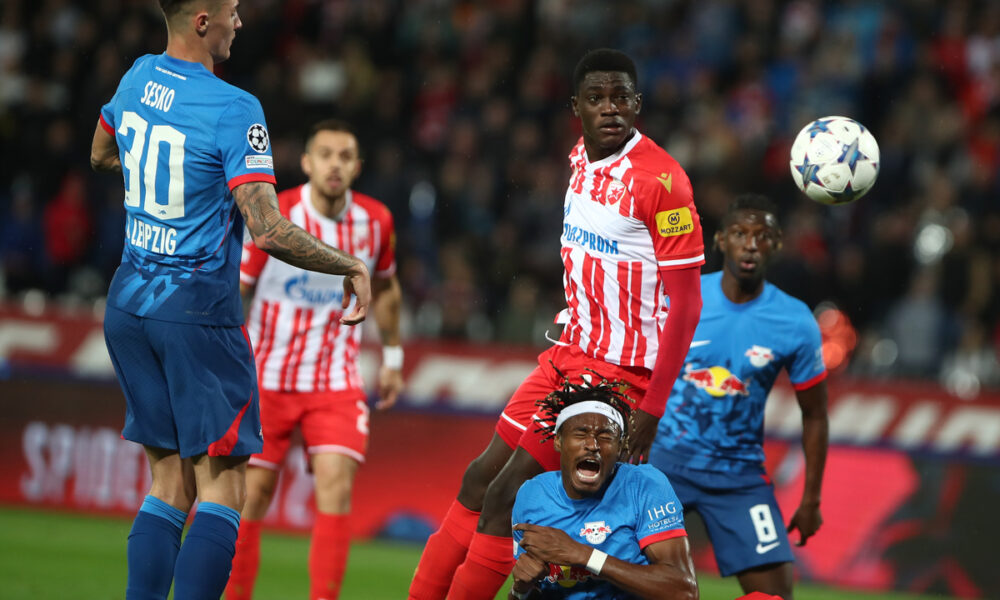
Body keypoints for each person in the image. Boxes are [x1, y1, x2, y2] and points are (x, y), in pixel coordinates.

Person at [89, 2, 371, 599]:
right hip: (197, 316)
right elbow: (267, 229)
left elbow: (101, 153)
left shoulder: (137, 75)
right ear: (201, 22)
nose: (238, 23)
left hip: (128, 304)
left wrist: (159, 192)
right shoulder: (235, 107)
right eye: (232, 12)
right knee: (222, 490)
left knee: (167, 485)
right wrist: (348, 264)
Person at [408, 48, 705, 600]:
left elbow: (687, 305)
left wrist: (652, 405)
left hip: (617, 372)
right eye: (596, 98)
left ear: (638, 105)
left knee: (504, 498)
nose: (610, 109)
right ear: (577, 107)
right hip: (568, 354)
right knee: (478, 479)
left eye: (621, 98)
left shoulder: (665, 183)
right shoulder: (578, 159)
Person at [224, 119, 403, 600]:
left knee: (336, 488)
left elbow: (385, 288)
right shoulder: (276, 215)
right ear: (305, 162)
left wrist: (393, 356)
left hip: (335, 381)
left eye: (345, 156)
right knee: (253, 497)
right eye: (325, 154)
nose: (334, 164)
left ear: (357, 167)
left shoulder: (376, 221)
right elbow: (239, 289)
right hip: (267, 377)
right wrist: (224, 361)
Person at [648, 194, 829, 600]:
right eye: (740, 233)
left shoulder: (795, 321)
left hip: (739, 476)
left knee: (775, 595)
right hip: (664, 467)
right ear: (720, 241)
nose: (750, 244)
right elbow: (639, 372)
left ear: (777, 244)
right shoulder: (681, 298)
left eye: (762, 235)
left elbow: (815, 414)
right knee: (615, 578)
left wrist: (811, 497)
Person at [509, 376, 699, 600]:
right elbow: (527, 589)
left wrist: (584, 555)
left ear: (621, 448)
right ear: (558, 441)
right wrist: (520, 590)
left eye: (606, 436)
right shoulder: (532, 495)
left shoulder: (644, 485)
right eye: (580, 433)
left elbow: (684, 591)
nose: (593, 445)